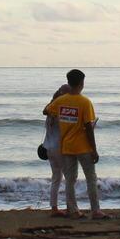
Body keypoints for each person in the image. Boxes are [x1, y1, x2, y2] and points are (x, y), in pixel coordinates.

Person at [42, 69, 101, 219]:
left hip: (67, 146)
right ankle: (95, 211)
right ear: (82, 83)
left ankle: (73, 210)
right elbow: (88, 127)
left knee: (70, 180)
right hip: (83, 146)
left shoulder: (60, 101)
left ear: (68, 82)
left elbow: (45, 111)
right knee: (91, 178)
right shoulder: (85, 102)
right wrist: (94, 149)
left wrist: (55, 99)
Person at [42, 83, 70, 215]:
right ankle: (71, 206)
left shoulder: (49, 110)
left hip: (49, 147)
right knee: (69, 177)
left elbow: (45, 110)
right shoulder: (62, 110)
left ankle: (54, 208)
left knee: (56, 177)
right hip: (60, 148)